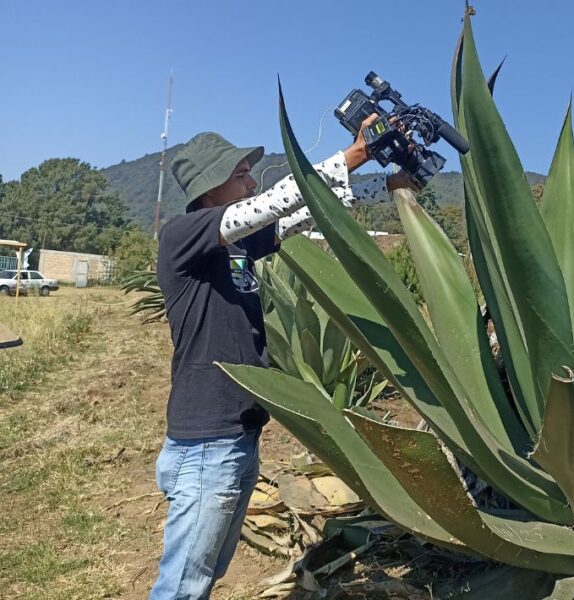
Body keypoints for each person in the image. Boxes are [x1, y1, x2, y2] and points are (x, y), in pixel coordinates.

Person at [151, 119, 417, 599]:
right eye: (241, 173)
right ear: (210, 188)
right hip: (207, 443)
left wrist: (387, 185)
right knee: (182, 589)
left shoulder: (232, 248)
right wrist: (351, 155)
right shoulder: (184, 235)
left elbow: (300, 215)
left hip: (235, 435)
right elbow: (269, 204)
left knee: (202, 578)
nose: (252, 181)